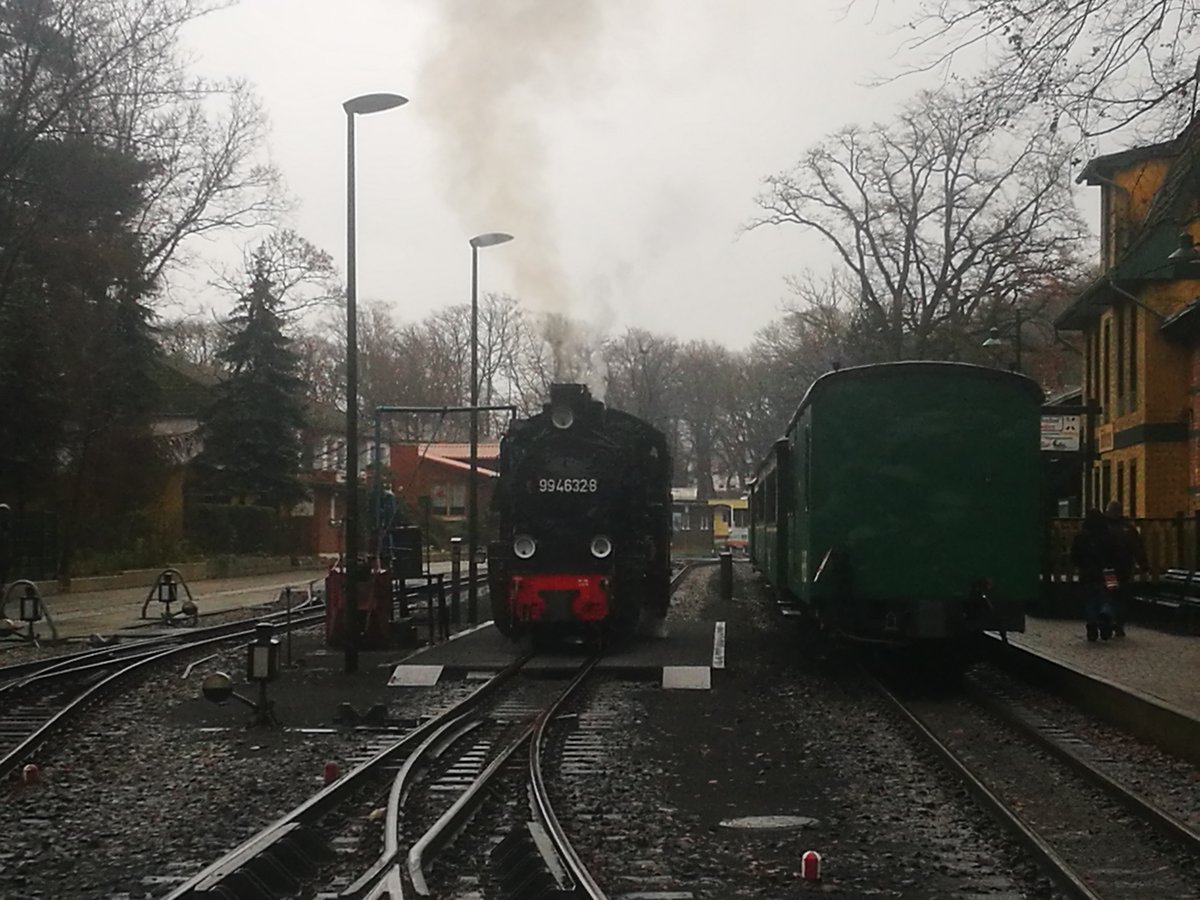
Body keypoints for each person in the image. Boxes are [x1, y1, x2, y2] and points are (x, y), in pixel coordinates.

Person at [1070, 507, 1118, 642]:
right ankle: (1106, 616)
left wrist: (1081, 565)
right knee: (1110, 597)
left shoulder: (1081, 536)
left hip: (1087, 573)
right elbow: (1116, 554)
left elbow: (1074, 555)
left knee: (1089, 601)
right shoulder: (1109, 535)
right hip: (1109, 572)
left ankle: (1092, 627)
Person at [1105, 500, 1147, 637]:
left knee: (1111, 594)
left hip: (1109, 569)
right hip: (1125, 569)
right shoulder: (1128, 529)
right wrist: (1143, 564)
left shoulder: (1103, 528)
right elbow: (1137, 548)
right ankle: (1119, 625)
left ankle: (1110, 621)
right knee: (1122, 597)